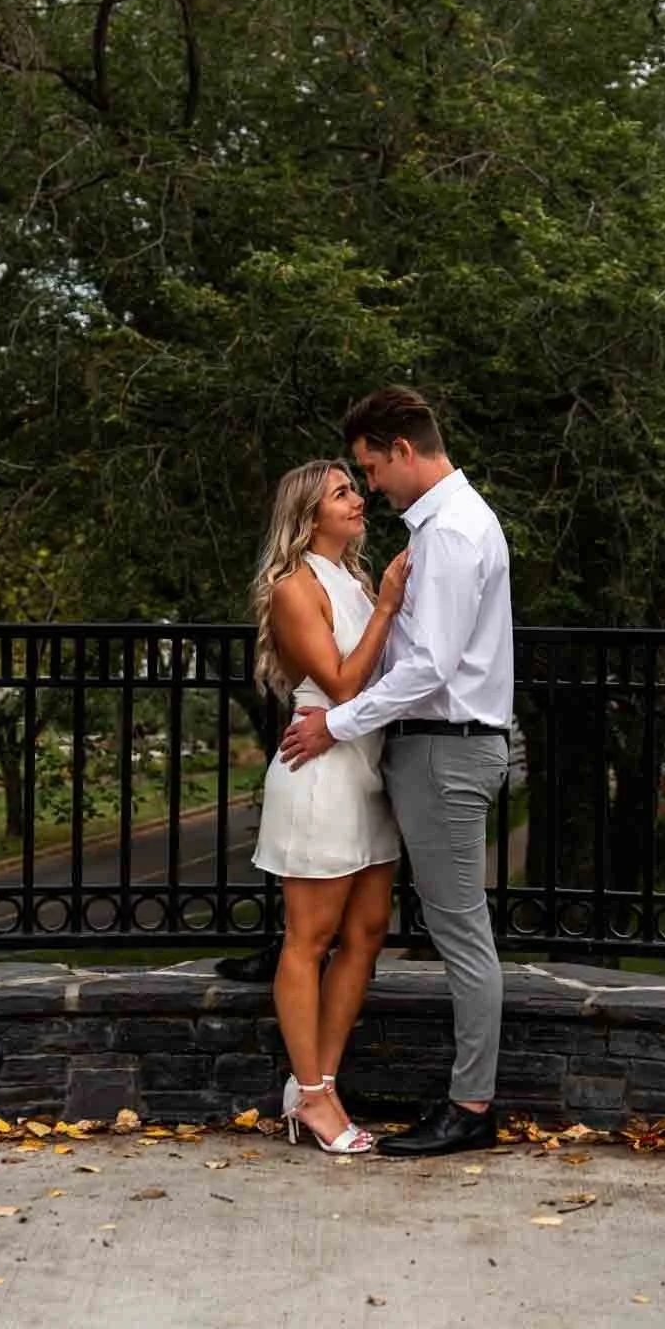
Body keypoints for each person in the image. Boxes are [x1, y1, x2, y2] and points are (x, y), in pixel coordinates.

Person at [280, 387, 513, 1159]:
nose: (370, 485)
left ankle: (471, 1106)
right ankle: (323, 1089)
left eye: (370, 468)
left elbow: (432, 668)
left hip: (445, 752)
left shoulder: (448, 534)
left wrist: (338, 725)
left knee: (459, 932)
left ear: (403, 451)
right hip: (428, 751)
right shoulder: (445, 526)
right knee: (433, 928)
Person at [250, 459, 410, 1154]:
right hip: (319, 771)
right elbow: (344, 685)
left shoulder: (354, 579)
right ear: (309, 513)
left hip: (367, 768)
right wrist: (387, 609)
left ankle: (321, 1081)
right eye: (342, 492)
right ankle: (312, 1097)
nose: (357, 500)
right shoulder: (295, 587)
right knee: (309, 939)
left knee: (368, 933)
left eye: (354, 488)